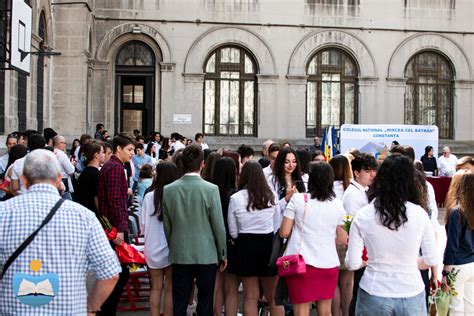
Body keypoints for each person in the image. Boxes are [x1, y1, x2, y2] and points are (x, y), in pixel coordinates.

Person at [0, 149, 121, 315]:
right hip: (69, 310)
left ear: (24, 180)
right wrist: (91, 307)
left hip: (15, 310)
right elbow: (110, 272)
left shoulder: (3, 213)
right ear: (58, 180)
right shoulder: (84, 216)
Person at [345, 154, 437, 315]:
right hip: (411, 292)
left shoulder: (363, 215)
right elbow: (431, 259)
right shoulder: (419, 214)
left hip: (374, 290)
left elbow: (352, 263)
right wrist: (407, 263)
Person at [162, 144, 227, 315]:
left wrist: (173, 244)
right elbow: (218, 225)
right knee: (205, 300)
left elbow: (167, 225)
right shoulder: (211, 189)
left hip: (180, 251)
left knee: (180, 300)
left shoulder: (169, 190)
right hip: (206, 253)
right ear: (202, 164)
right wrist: (222, 252)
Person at [280, 162, 347, 316]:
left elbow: (284, 232)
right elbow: (342, 238)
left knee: (301, 310)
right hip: (328, 263)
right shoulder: (338, 205)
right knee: (325, 311)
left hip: (300, 263)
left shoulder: (298, 199)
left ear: (311, 179)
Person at [228, 161, 284, 316]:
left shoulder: (236, 198)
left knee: (250, 296)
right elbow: (276, 224)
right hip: (267, 245)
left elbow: (233, 230)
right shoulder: (271, 196)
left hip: (245, 246)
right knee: (273, 297)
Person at [97, 134, 135, 314]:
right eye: (129, 150)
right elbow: (114, 200)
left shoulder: (115, 166)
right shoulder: (114, 168)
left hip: (113, 225)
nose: (132, 154)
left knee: (119, 272)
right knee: (120, 272)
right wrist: (119, 229)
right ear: (118, 149)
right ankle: (107, 308)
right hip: (114, 227)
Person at [141, 162, 178, 316]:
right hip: (171, 246)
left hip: (152, 246)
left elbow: (142, 224)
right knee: (169, 287)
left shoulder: (149, 196)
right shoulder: (175, 194)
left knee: (156, 288)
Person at [342, 153, 377, 316]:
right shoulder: (352, 195)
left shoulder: (362, 191)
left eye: (374, 171)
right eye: (368, 171)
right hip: (360, 250)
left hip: (366, 250)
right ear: (356, 172)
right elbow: (353, 227)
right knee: (357, 293)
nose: (372, 175)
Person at [442, 172, 474, 316]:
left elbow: (452, 245)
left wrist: (445, 271)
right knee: (470, 305)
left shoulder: (457, 211)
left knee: (456, 307)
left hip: (459, 265)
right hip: (472, 264)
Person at [211, 157, 239, 316]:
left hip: (213, 241)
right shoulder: (234, 195)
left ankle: (216, 312)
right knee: (231, 288)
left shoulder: (211, 190)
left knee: (216, 283)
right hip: (230, 241)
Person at [329, 154, 353, 316]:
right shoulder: (352, 188)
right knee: (348, 283)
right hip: (350, 236)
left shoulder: (327, 187)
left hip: (330, 237)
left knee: (333, 283)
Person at [74, 140, 104, 215]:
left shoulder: (86, 171)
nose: (104, 155)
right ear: (96, 155)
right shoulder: (95, 174)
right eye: (102, 152)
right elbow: (97, 200)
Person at [53, 135, 76, 199]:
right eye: (64, 143)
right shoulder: (61, 154)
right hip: (63, 181)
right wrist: (72, 164)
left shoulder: (50, 152)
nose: (65, 145)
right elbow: (70, 171)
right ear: (59, 143)